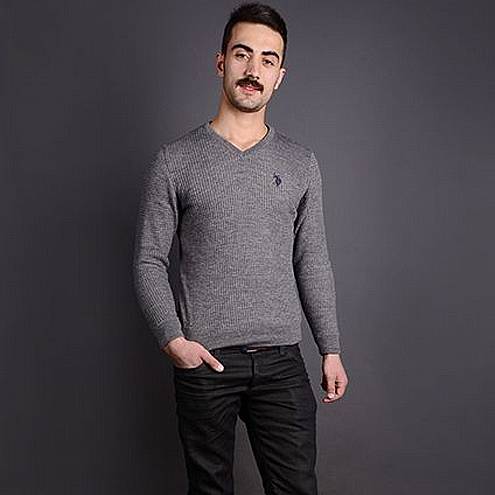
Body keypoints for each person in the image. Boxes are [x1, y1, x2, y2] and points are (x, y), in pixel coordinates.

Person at [133, 2, 349, 494]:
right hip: (205, 363)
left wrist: (331, 349)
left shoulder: (301, 163)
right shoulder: (174, 161)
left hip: (282, 365)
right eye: (242, 54)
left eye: (268, 60)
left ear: (280, 76)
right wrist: (173, 340)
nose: (253, 69)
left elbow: (312, 259)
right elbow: (149, 259)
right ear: (221, 62)